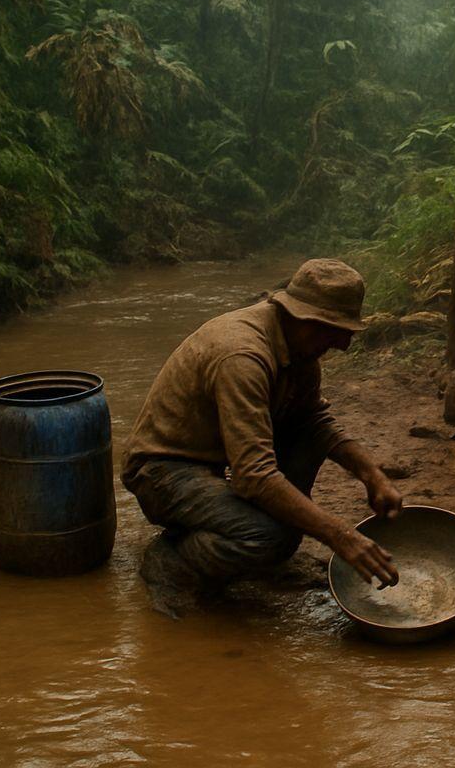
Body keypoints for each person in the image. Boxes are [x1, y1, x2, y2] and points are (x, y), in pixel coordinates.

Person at [121, 258, 401, 608]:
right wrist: (339, 535)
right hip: (163, 472)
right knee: (272, 537)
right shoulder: (242, 357)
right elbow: (254, 475)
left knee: (303, 448)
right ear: (308, 320)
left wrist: (371, 475)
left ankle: (236, 527)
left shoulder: (297, 351)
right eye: (337, 330)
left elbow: (315, 420)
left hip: (212, 460)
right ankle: (175, 561)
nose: (344, 344)